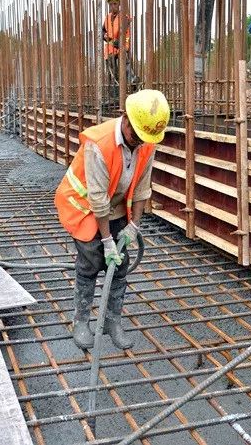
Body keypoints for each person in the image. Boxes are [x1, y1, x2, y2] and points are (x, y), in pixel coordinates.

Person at [54, 88, 169, 350]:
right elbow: (97, 199)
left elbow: (142, 188)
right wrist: (106, 240)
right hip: (83, 207)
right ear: (125, 118)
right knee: (90, 263)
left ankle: (111, 321)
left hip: (115, 207)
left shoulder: (146, 139)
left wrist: (133, 226)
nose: (138, 141)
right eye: (135, 135)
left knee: (120, 266)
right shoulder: (100, 143)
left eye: (143, 138)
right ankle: (81, 322)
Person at [102, 0, 140, 88]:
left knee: (125, 64)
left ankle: (132, 81)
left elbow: (125, 33)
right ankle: (114, 93)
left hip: (120, 45)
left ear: (119, 4)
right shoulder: (107, 18)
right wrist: (104, 36)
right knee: (112, 72)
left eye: (115, 4)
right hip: (110, 47)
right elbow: (103, 31)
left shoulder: (124, 18)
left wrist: (121, 43)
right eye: (110, 4)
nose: (112, 6)